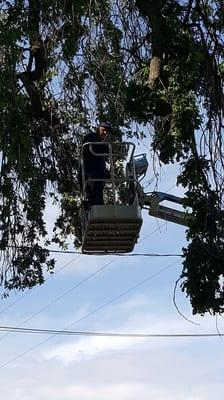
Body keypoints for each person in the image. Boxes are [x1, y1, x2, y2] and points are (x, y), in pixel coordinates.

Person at [78, 122, 112, 207]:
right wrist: (107, 148)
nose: (105, 133)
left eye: (107, 132)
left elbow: (98, 163)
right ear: (98, 129)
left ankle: (94, 207)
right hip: (89, 174)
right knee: (94, 197)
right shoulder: (91, 136)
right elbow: (95, 148)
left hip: (95, 176)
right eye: (103, 130)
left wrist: (105, 174)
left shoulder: (99, 145)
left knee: (98, 197)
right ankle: (90, 205)